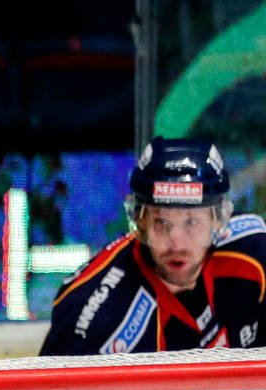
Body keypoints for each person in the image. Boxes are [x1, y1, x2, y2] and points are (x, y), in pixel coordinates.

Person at [41, 138, 266, 355]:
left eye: (191, 222)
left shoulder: (253, 251)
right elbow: (51, 381)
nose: (176, 243)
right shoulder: (95, 316)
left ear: (218, 220)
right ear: (140, 221)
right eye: (161, 222)